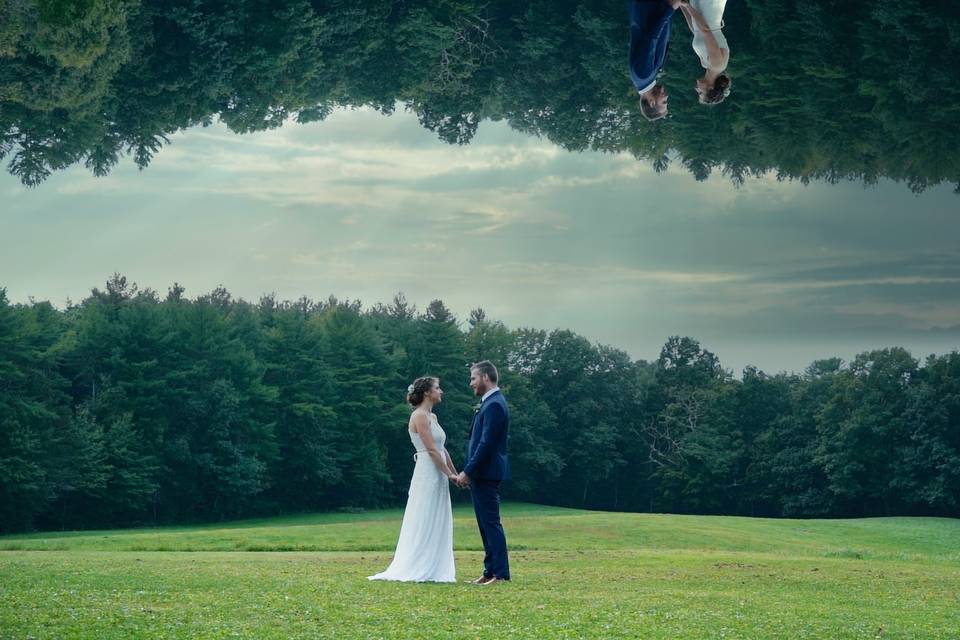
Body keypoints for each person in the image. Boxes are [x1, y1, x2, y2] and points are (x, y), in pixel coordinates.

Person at [368, 377, 459, 582]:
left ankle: (436, 565)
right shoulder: (419, 416)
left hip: (439, 471)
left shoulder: (432, 417)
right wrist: (449, 473)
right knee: (425, 513)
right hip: (428, 470)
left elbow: (442, 449)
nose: (441, 391)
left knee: (438, 514)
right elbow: (431, 449)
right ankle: (420, 564)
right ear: (427, 392)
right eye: (437, 388)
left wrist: (454, 473)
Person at [455, 360, 511, 585]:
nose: (471, 383)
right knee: (483, 522)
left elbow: (486, 444)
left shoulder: (495, 404)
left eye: (473, 378)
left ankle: (500, 573)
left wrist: (468, 471)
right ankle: (489, 571)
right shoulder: (488, 403)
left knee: (490, 522)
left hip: (487, 472)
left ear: (486, 377)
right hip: (482, 473)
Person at [629, 0, 684, 121]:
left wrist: (670, 8)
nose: (667, 96)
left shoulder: (643, 75)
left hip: (650, 7)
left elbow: (651, 37)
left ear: (652, 102)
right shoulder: (648, 78)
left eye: (664, 101)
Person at [678, 0, 731, 105]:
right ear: (710, 88)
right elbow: (705, 31)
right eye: (700, 93)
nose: (697, 90)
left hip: (699, 12)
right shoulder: (717, 65)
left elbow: (695, 30)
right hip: (710, 9)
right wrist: (687, 6)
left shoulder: (705, 64)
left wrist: (682, 6)